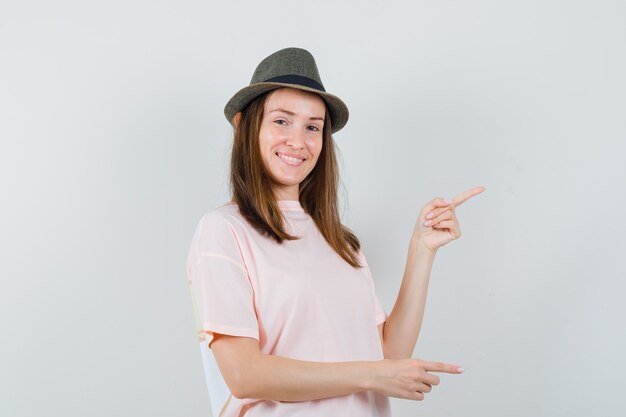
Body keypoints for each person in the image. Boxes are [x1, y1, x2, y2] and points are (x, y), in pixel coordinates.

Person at [186, 47, 485, 417]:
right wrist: (371, 375)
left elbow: (387, 357)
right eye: (282, 121)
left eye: (313, 127)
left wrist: (421, 250)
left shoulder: (340, 242)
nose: (298, 140)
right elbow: (245, 375)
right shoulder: (224, 231)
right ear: (246, 124)